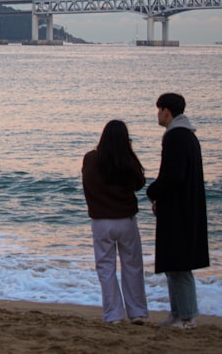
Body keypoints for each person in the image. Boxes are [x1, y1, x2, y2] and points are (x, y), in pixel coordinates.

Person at [146, 92, 209, 329]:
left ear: (166, 111)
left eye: (159, 109)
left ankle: (187, 316)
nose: (157, 114)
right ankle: (177, 313)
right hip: (182, 208)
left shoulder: (176, 137)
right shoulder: (187, 136)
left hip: (178, 211)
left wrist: (153, 191)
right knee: (173, 264)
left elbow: (173, 175)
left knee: (179, 265)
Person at [81, 119, 149, 324]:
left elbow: (88, 184)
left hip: (102, 221)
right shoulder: (126, 160)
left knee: (106, 268)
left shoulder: (91, 159)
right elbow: (140, 182)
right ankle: (137, 312)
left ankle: (113, 314)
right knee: (133, 266)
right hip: (125, 219)